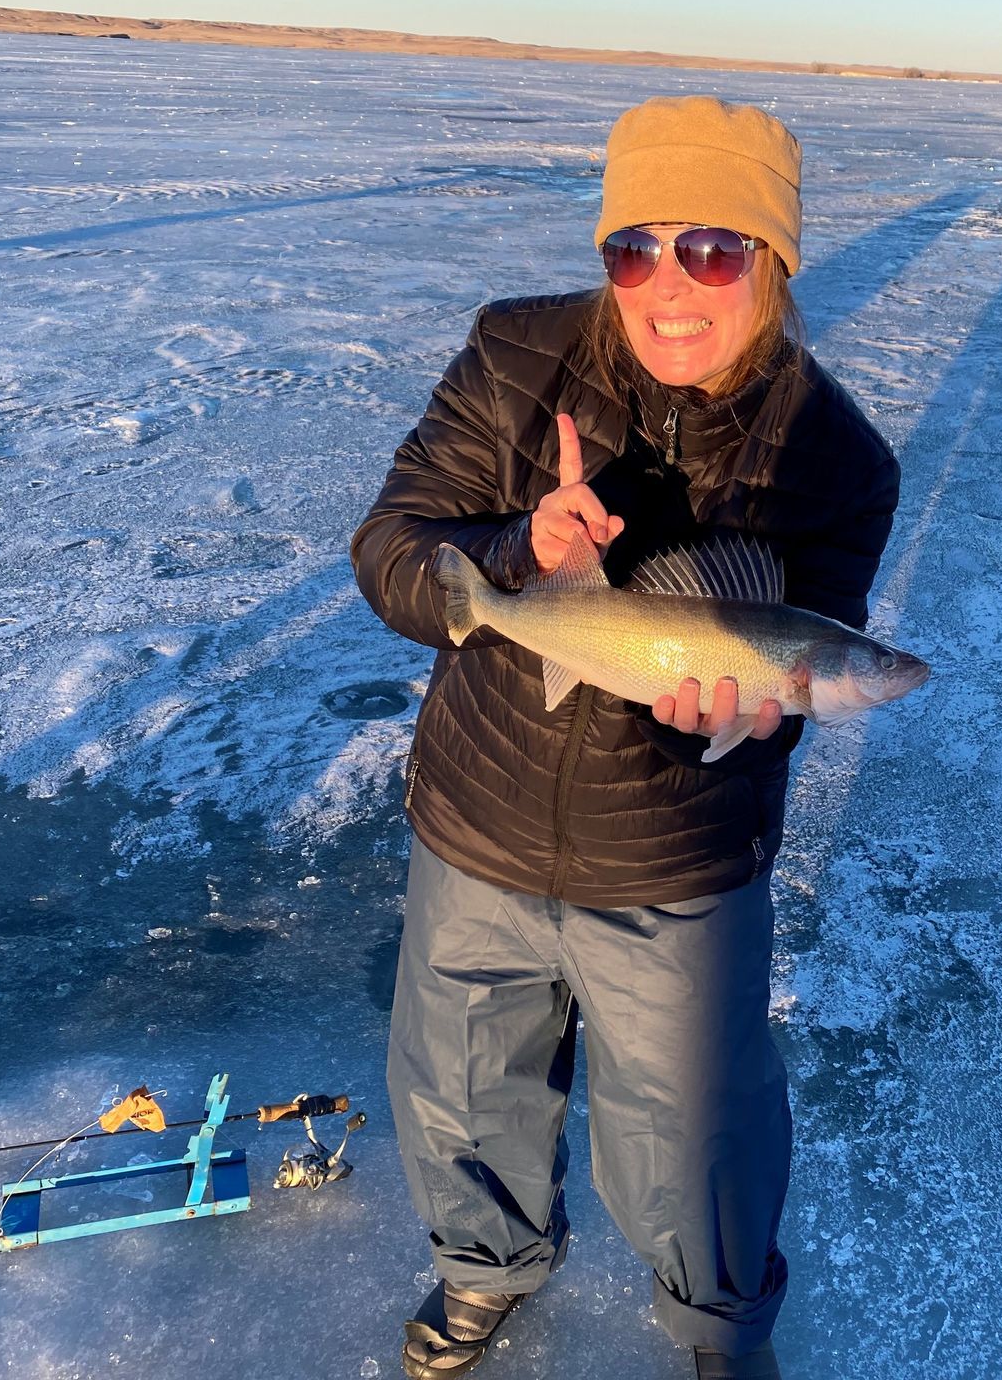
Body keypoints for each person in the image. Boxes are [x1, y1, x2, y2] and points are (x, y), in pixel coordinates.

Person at [352, 94, 901, 1380]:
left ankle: (717, 1337)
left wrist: (749, 734)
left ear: (773, 261)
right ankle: (482, 1275)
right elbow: (389, 551)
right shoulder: (511, 356)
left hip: (673, 863)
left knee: (695, 1133)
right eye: (631, 247)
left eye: (711, 249)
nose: (668, 285)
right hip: (478, 824)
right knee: (460, 1090)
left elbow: (789, 692)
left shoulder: (835, 459)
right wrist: (509, 559)